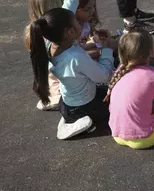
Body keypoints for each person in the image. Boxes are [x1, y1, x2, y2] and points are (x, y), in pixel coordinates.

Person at [28, 8, 115, 140]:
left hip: (67, 104)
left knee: (104, 91)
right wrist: (107, 50)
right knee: (116, 100)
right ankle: (85, 124)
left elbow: (77, 48)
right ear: (71, 31)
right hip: (85, 107)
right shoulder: (75, 58)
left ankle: (70, 119)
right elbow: (104, 75)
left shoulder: (51, 46)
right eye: (77, 22)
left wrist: (96, 42)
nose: (80, 24)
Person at [26, 0, 88, 111]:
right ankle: (56, 98)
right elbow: (70, 3)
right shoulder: (50, 32)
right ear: (54, 9)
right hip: (62, 81)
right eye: (63, 0)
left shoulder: (40, 25)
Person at [105, 30, 154, 149]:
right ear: (150, 52)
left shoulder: (119, 71)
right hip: (143, 138)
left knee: (146, 98)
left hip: (117, 134)